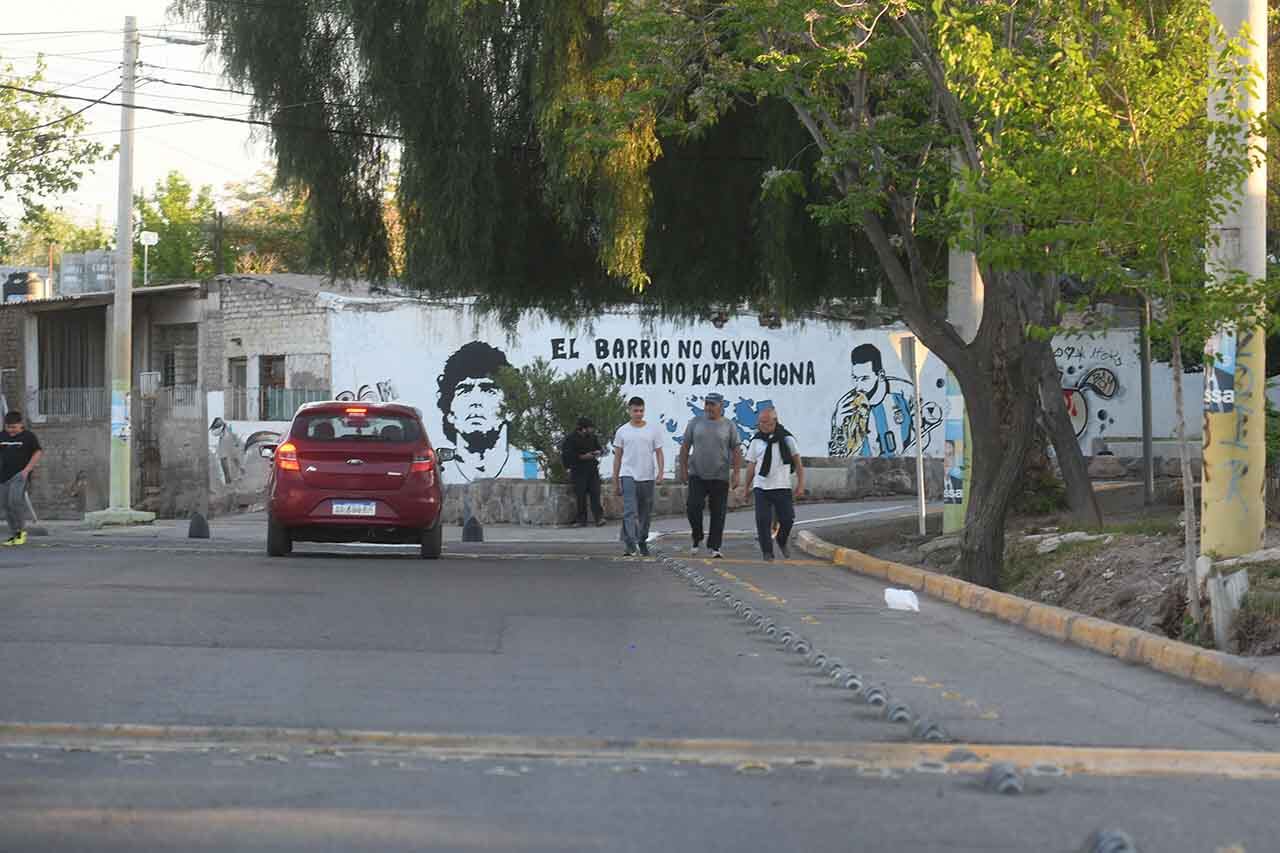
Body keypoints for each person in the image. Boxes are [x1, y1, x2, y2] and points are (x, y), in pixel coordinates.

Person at [436, 341, 534, 481]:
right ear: (449, 411)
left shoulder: (532, 466)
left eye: (488, 390)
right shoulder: (438, 468)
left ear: (510, 409)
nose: (476, 401)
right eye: (464, 390)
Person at [678, 392, 741, 558]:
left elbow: (736, 449)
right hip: (697, 474)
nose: (708, 407)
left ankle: (715, 546)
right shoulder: (695, 422)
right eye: (707, 404)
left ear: (721, 405)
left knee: (718, 512)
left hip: (720, 475)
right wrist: (683, 468)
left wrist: (736, 473)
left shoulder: (729, 425)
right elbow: (685, 446)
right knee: (693, 507)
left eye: (712, 404)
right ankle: (697, 536)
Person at [829, 343, 914, 458]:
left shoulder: (904, 393)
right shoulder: (847, 406)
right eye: (855, 378)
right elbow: (838, 456)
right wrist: (838, 424)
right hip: (865, 471)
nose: (858, 387)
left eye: (864, 378)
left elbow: (924, 432)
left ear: (880, 375)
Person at [741, 407, 804, 561]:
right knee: (763, 520)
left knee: (787, 519)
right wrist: (746, 487)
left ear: (775, 421)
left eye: (765, 422)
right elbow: (751, 466)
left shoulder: (787, 439)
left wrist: (801, 484)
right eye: (760, 422)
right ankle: (767, 552)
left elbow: (798, 463)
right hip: (761, 487)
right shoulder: (756, 441)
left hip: (782, 486)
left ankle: (782, 540)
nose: (762, 425)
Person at [611, 397, 664, 557]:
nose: (638, 413)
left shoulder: (653, 430)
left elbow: (659, 453)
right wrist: (615, 480)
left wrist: (660, 472)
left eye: (641, 410)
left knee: (645, 513)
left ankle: (642, 539)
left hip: (647, 476)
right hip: (628, 475)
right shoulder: (622, 431)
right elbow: (618, 457)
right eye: (635, 410)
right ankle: (630, 543)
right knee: (630, 511)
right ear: (629, 410)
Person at [1, 411, 43, 547]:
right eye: (8, 427)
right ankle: (14, 534)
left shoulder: (28, 436)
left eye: (14, 427)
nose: (11, 431)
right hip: (3, 476)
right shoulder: (2, 435)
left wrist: (27, 470)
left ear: (21, 424)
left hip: (20, 475)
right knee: (6, 506)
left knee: (14, 501)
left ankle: (21, 532)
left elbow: (38, 452)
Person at [562, 416, 606, 527]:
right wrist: (581, 457)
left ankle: (599, 518)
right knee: (580, 496)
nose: (592, 430)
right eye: (590, 428)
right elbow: (567, 455)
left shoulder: (592, 437)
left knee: (595, 493)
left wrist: (597, 452)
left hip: (592, 469)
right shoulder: (570, 439)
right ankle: (581, 520)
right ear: (583, 428)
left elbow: (599, 448)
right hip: (578, 471)